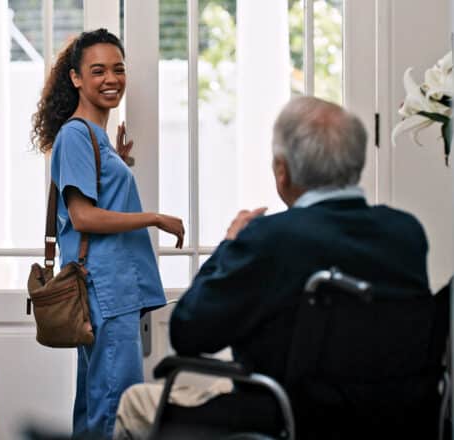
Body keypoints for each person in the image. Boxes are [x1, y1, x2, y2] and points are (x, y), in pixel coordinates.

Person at [113, 96, 431, 439]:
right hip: (394, 420)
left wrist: (230, 244)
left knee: (135, 401)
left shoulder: (271, 239)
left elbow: (188, 331)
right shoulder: (406, 234)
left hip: (286, 418)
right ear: (357, 162)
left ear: (282, 170)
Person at [31, 29, 185, 439]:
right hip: (107, 288)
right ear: (76, 78)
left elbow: (99, 197)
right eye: (97, 70)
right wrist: (154, 218)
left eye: (118, 69)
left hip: (113, 288)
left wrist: (116, 158)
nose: (111, 78)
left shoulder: (92, 137)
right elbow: (83, 217)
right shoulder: (77, 135)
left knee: (97, 403)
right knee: (116, 408)